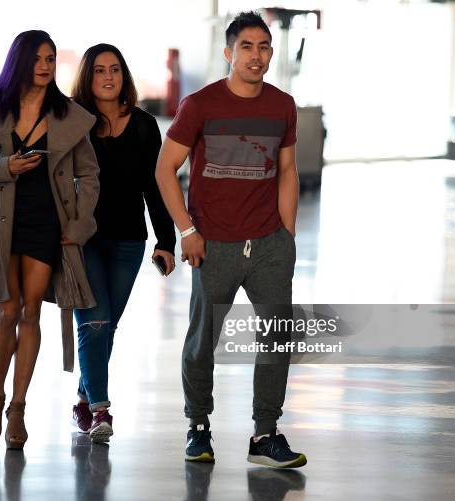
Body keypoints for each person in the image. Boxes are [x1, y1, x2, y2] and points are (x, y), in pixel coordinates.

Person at [156, 12, 307, 467]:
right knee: (203, 340)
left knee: (277, 338)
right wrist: (187, 230)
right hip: (213, 244)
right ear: (229, 52)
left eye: (263, 47)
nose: (256, 56)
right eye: (247, 47)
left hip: (268, 245)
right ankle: (198, 427)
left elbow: (286, 171)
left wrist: (288, 236)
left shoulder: (282, 105)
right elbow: (165, 170)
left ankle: (265, 434)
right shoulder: (201, 105)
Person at [0, 30, 100, 449]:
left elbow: (89, 174)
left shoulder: (68, 115)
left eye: (51, 58)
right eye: (37, 58)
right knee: (7, 309)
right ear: (19, 61)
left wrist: (79, 222)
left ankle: (18, 406)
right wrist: (4, 167)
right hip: (0, 221)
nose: (45, 65)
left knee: (31, 310)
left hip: (47, 223)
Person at [70, 43, 176, 443]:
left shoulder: (145, 124)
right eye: (99, 71)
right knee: (94, 322)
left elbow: (155, 184)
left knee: (106, 326)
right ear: (88, 77)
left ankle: (84, 395)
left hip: (129, 240)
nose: (109, 77)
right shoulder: (73, 121)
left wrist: (167, 240)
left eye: (115, 69)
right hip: (83, 240)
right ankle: (100, 411)